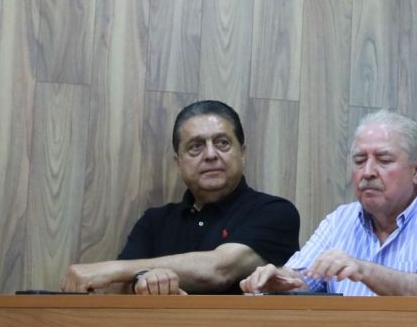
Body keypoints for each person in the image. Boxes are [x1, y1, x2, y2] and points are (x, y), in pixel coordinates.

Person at [60, 100, 300, 294]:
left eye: (222, 143)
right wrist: (144, 283)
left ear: (243, 153)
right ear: (178, 163)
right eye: (196, 147)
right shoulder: (154, 222)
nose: (210, 155)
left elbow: (219, 269)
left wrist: (112, 269)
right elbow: (115, 290)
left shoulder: (275, 212)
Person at [241, 110, 417, 296]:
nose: (367, 172)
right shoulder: (340, 220)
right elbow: (303, 278)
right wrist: (278, 279)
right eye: (359, 161)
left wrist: (364, 270)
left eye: (384, 160)